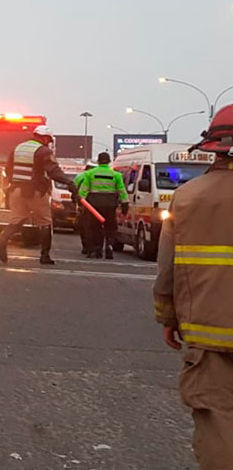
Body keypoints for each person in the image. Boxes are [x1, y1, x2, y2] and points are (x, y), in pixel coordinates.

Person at [153, 104, 233, 468]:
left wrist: (168, 316)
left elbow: (167, 269)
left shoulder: (187, 197)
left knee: (219, 422)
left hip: (210, 336)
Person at [0, 127, 79, 265]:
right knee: (45, 222)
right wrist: (69, 182)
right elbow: (53, 171)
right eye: (49, 140)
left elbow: (8, 169)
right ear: (45, 138)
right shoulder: (43, 151)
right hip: (36, 192)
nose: (49, 143)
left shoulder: (18, 148)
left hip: (16, 190)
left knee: (17, 219)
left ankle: (2, 240)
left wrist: (14, 183)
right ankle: (45, 256)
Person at [76, 152, 129, 259]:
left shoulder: (90, 174)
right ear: (109, 161)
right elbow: (122, 191)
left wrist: (80, 204)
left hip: (94, 206)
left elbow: (83, 191)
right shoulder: (116, 175)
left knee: (95, 228)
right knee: (110, 227)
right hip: (110, 205)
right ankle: (109, 247)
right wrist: (125, 206)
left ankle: (97, 250)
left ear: (98, 161)